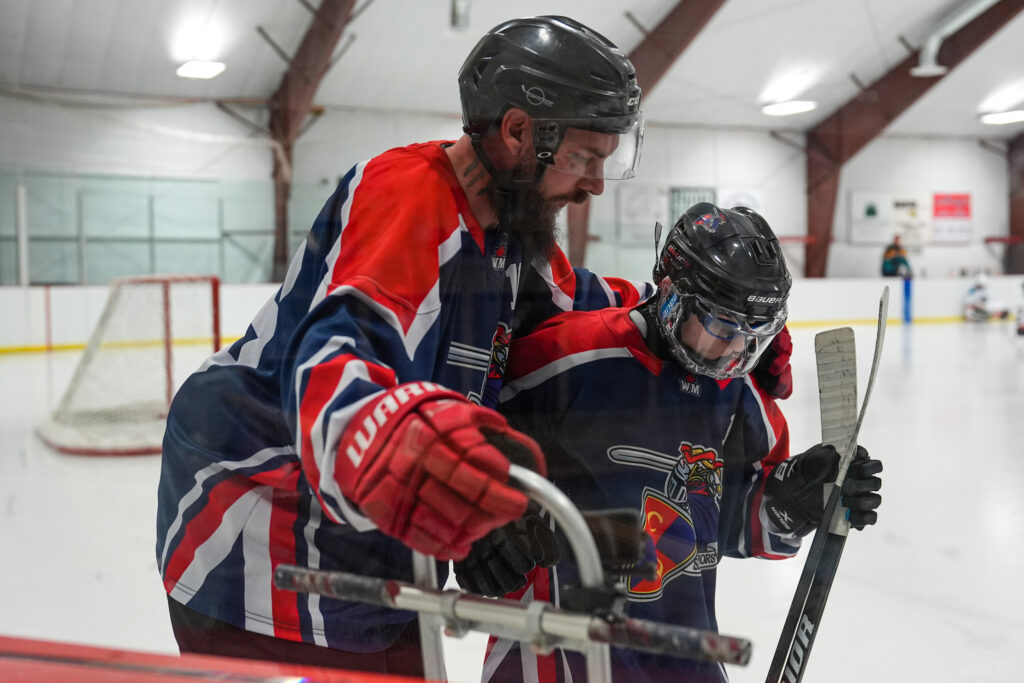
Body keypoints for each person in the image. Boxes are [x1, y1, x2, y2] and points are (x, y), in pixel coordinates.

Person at [155, 15, 655, 675]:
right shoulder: (405, 195)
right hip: (257, 542)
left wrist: (698, 323)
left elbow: (585, 314)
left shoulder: (513, 233)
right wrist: (421, 465)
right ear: (518, 132)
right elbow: (336, 363)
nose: (594, 183)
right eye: (587, 158)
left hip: (369, 552)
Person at [455, 203, 883, 683]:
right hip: (558, 656)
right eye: (722, 326)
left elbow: (734, 521)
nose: (735, 352)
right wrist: (481, 518)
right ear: (672, 296)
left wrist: (794, 500)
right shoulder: (568, 359)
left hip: (684, 652)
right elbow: (471, 443)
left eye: (755, 337)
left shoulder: (742, 398)